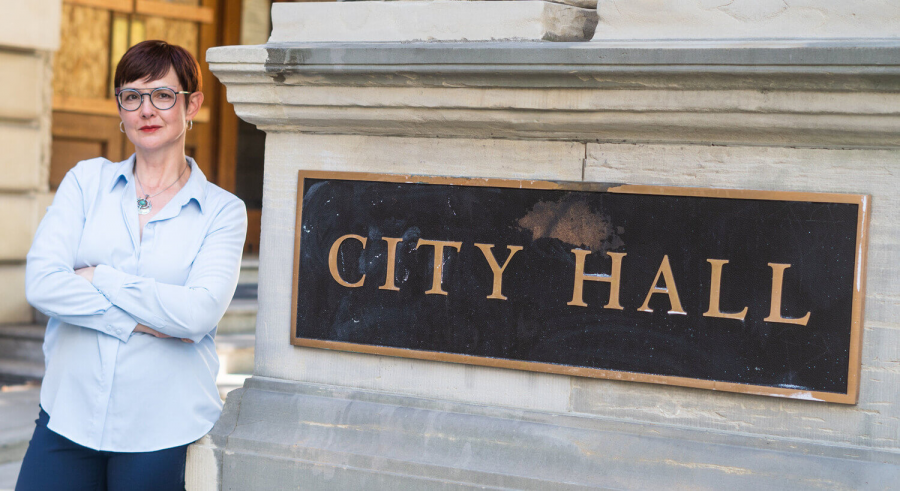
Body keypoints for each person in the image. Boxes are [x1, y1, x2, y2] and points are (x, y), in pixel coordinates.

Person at [16, 40, 247, 491]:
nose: (147, 110)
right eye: (132, 96)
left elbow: (198, 314)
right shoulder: (87, 181)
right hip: (68, 417)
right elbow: (42, 285)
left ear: (191, 105)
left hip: (161, 428)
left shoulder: (223, 211)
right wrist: (149, 320)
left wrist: (101, 276)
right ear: (120, 109)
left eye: (163, 96)